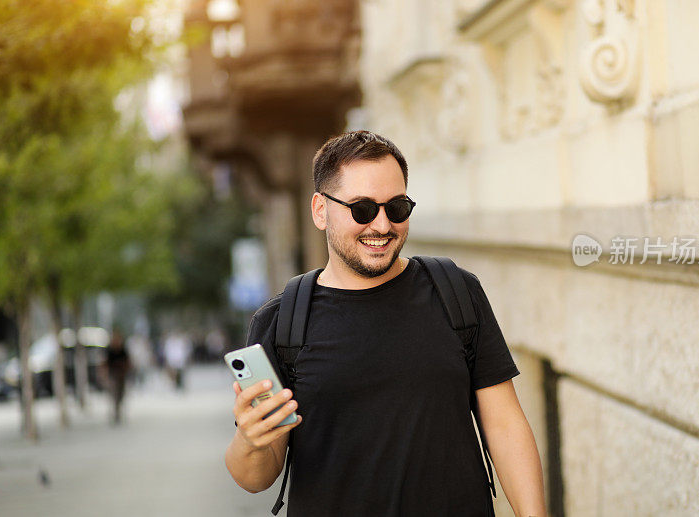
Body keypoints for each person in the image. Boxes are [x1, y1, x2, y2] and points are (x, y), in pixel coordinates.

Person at [225, 131, 547, 516]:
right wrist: (250, 439)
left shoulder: (456, 292)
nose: (381, 226)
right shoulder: (281, 323)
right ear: (320, 210)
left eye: (396, 207)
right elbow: (255, 477)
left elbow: (506, 428)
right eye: (362, 209)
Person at [104, 328, 132, 425]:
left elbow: (128, 361)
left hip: (121, 375)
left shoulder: (123, 349)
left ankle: (118, 410)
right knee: (114, 394)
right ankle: (116, 413)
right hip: (113, 375)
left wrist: (127, 370)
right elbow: (105, 363)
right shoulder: (110, 350)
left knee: (121, 394)